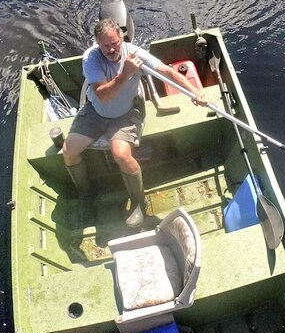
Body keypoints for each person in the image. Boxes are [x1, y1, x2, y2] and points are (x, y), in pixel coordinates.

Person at [63, 17, 201, 228]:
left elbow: (167, 71)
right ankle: (86, 194)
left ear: (121, 37)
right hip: (96, 111)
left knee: (121, 154)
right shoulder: (90, 58)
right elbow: (102, 96)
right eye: (105, 45)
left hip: (126, 113)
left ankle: (138, 201)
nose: (111, 49)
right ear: (98, 44)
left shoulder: (134, 53)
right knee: (69, 151)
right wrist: (125, 74)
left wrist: (195, 93)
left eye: (114, 43)